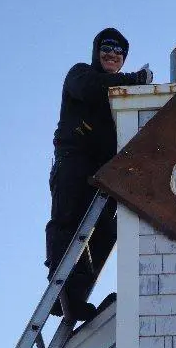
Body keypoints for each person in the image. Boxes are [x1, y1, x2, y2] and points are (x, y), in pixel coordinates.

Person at [46, 28, 153, 321]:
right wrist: (134, 80)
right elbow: (92, 89)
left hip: (103, 170)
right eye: (106, 48)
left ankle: (76, 296)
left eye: (119, 52)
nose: (112, 54)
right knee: (68, 220)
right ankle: (59, 291)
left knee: (105, 231)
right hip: (74, 159)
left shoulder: (120, 95)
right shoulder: (81, 74)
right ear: (96, 52)